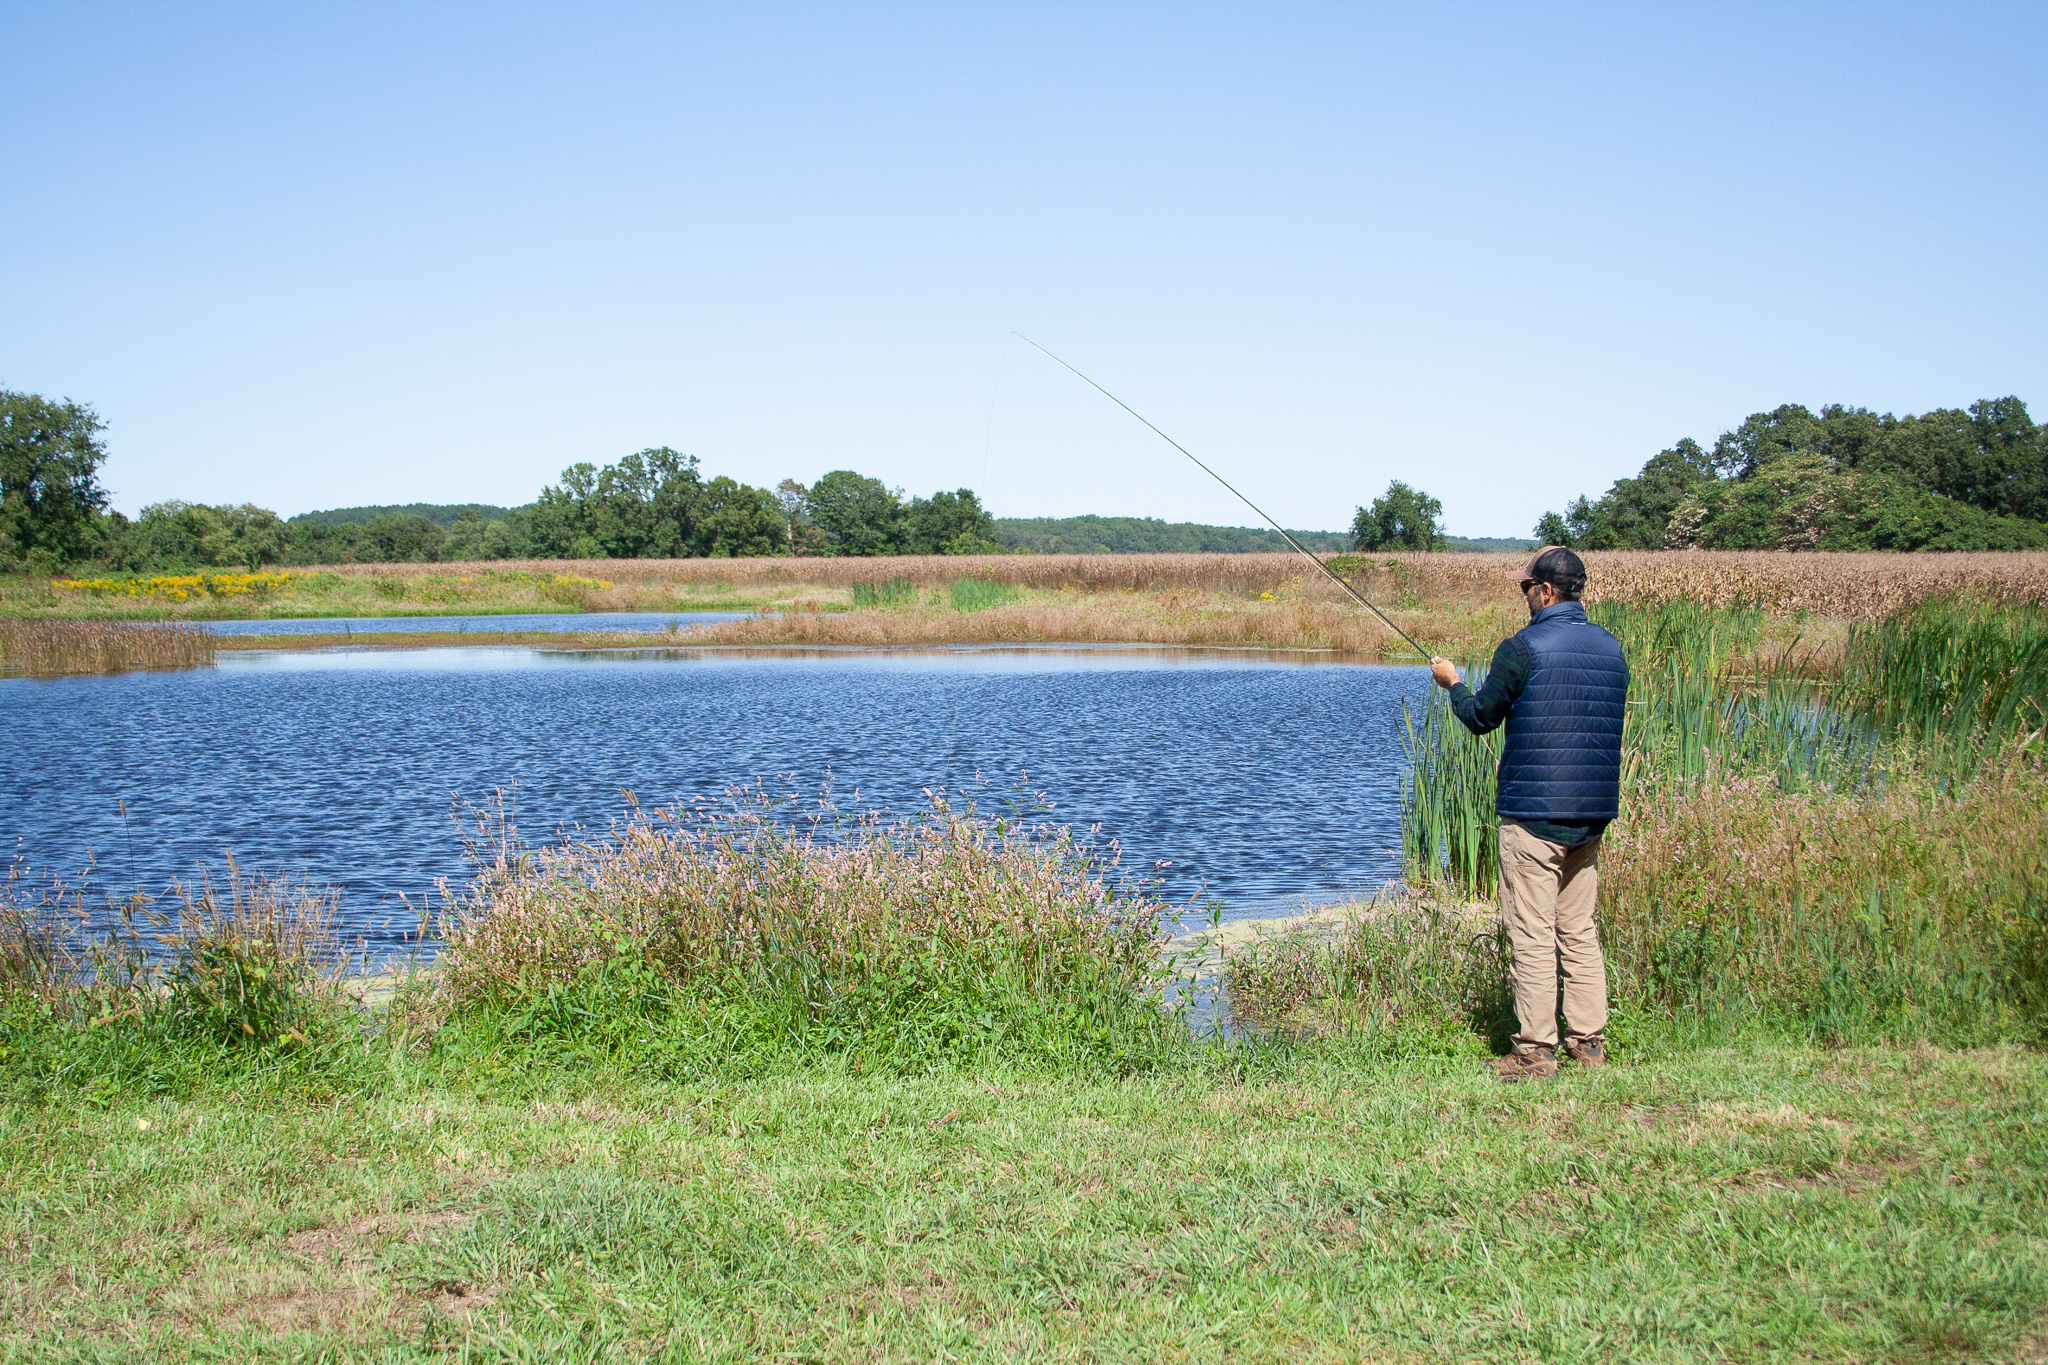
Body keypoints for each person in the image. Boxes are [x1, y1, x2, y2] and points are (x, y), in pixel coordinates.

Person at [1428, 546, 1629, 1081]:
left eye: (1526, 587)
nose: (1523, 596)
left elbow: (1481, 716)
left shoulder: (1522, 648)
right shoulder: (1611, 648)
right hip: (1591, 815)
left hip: (1534, 815)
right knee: (1579, 929)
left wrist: (1452, 683)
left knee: (1532, 933)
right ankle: (1588, 1043)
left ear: (1546, 590)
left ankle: (1535, 1051)